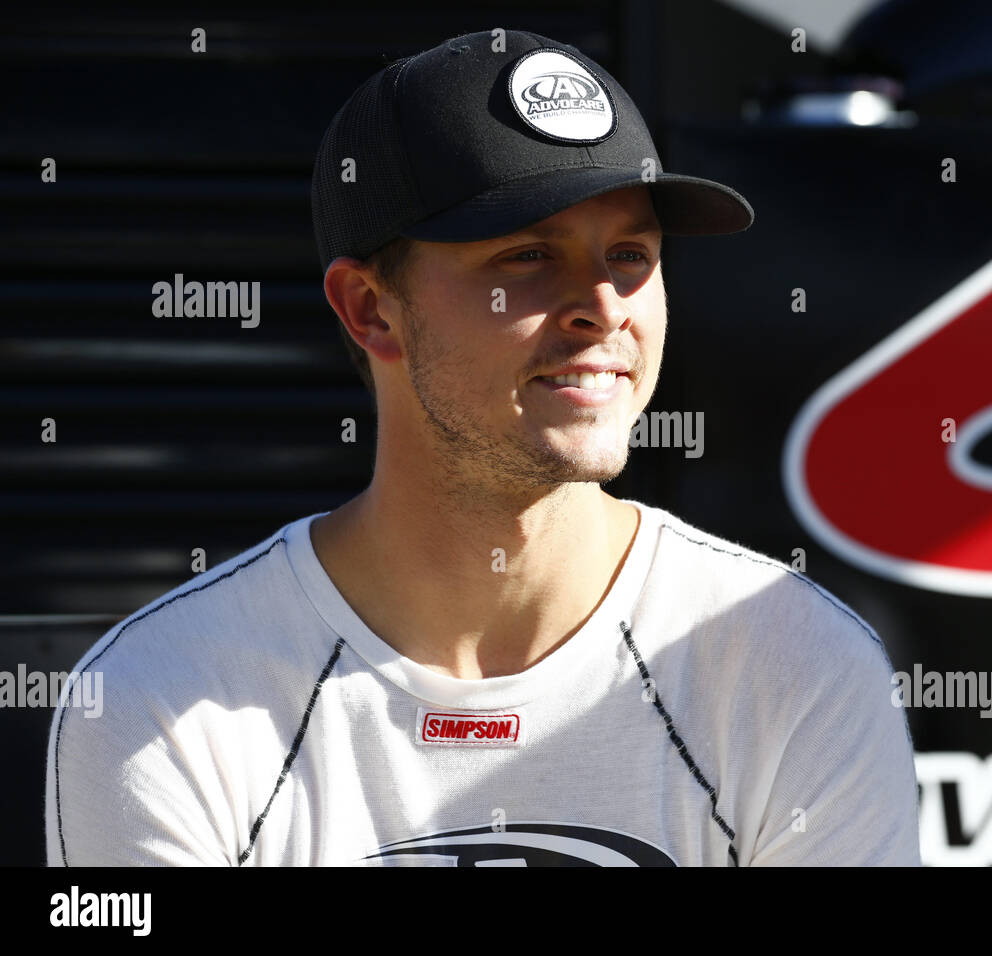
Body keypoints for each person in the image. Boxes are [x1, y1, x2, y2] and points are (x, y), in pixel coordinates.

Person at [46, 29, 920, 866]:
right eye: (529, 254)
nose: (604, 305)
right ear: (369, 309)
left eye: (629, 253)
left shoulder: (796, 663)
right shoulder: (154, 698)